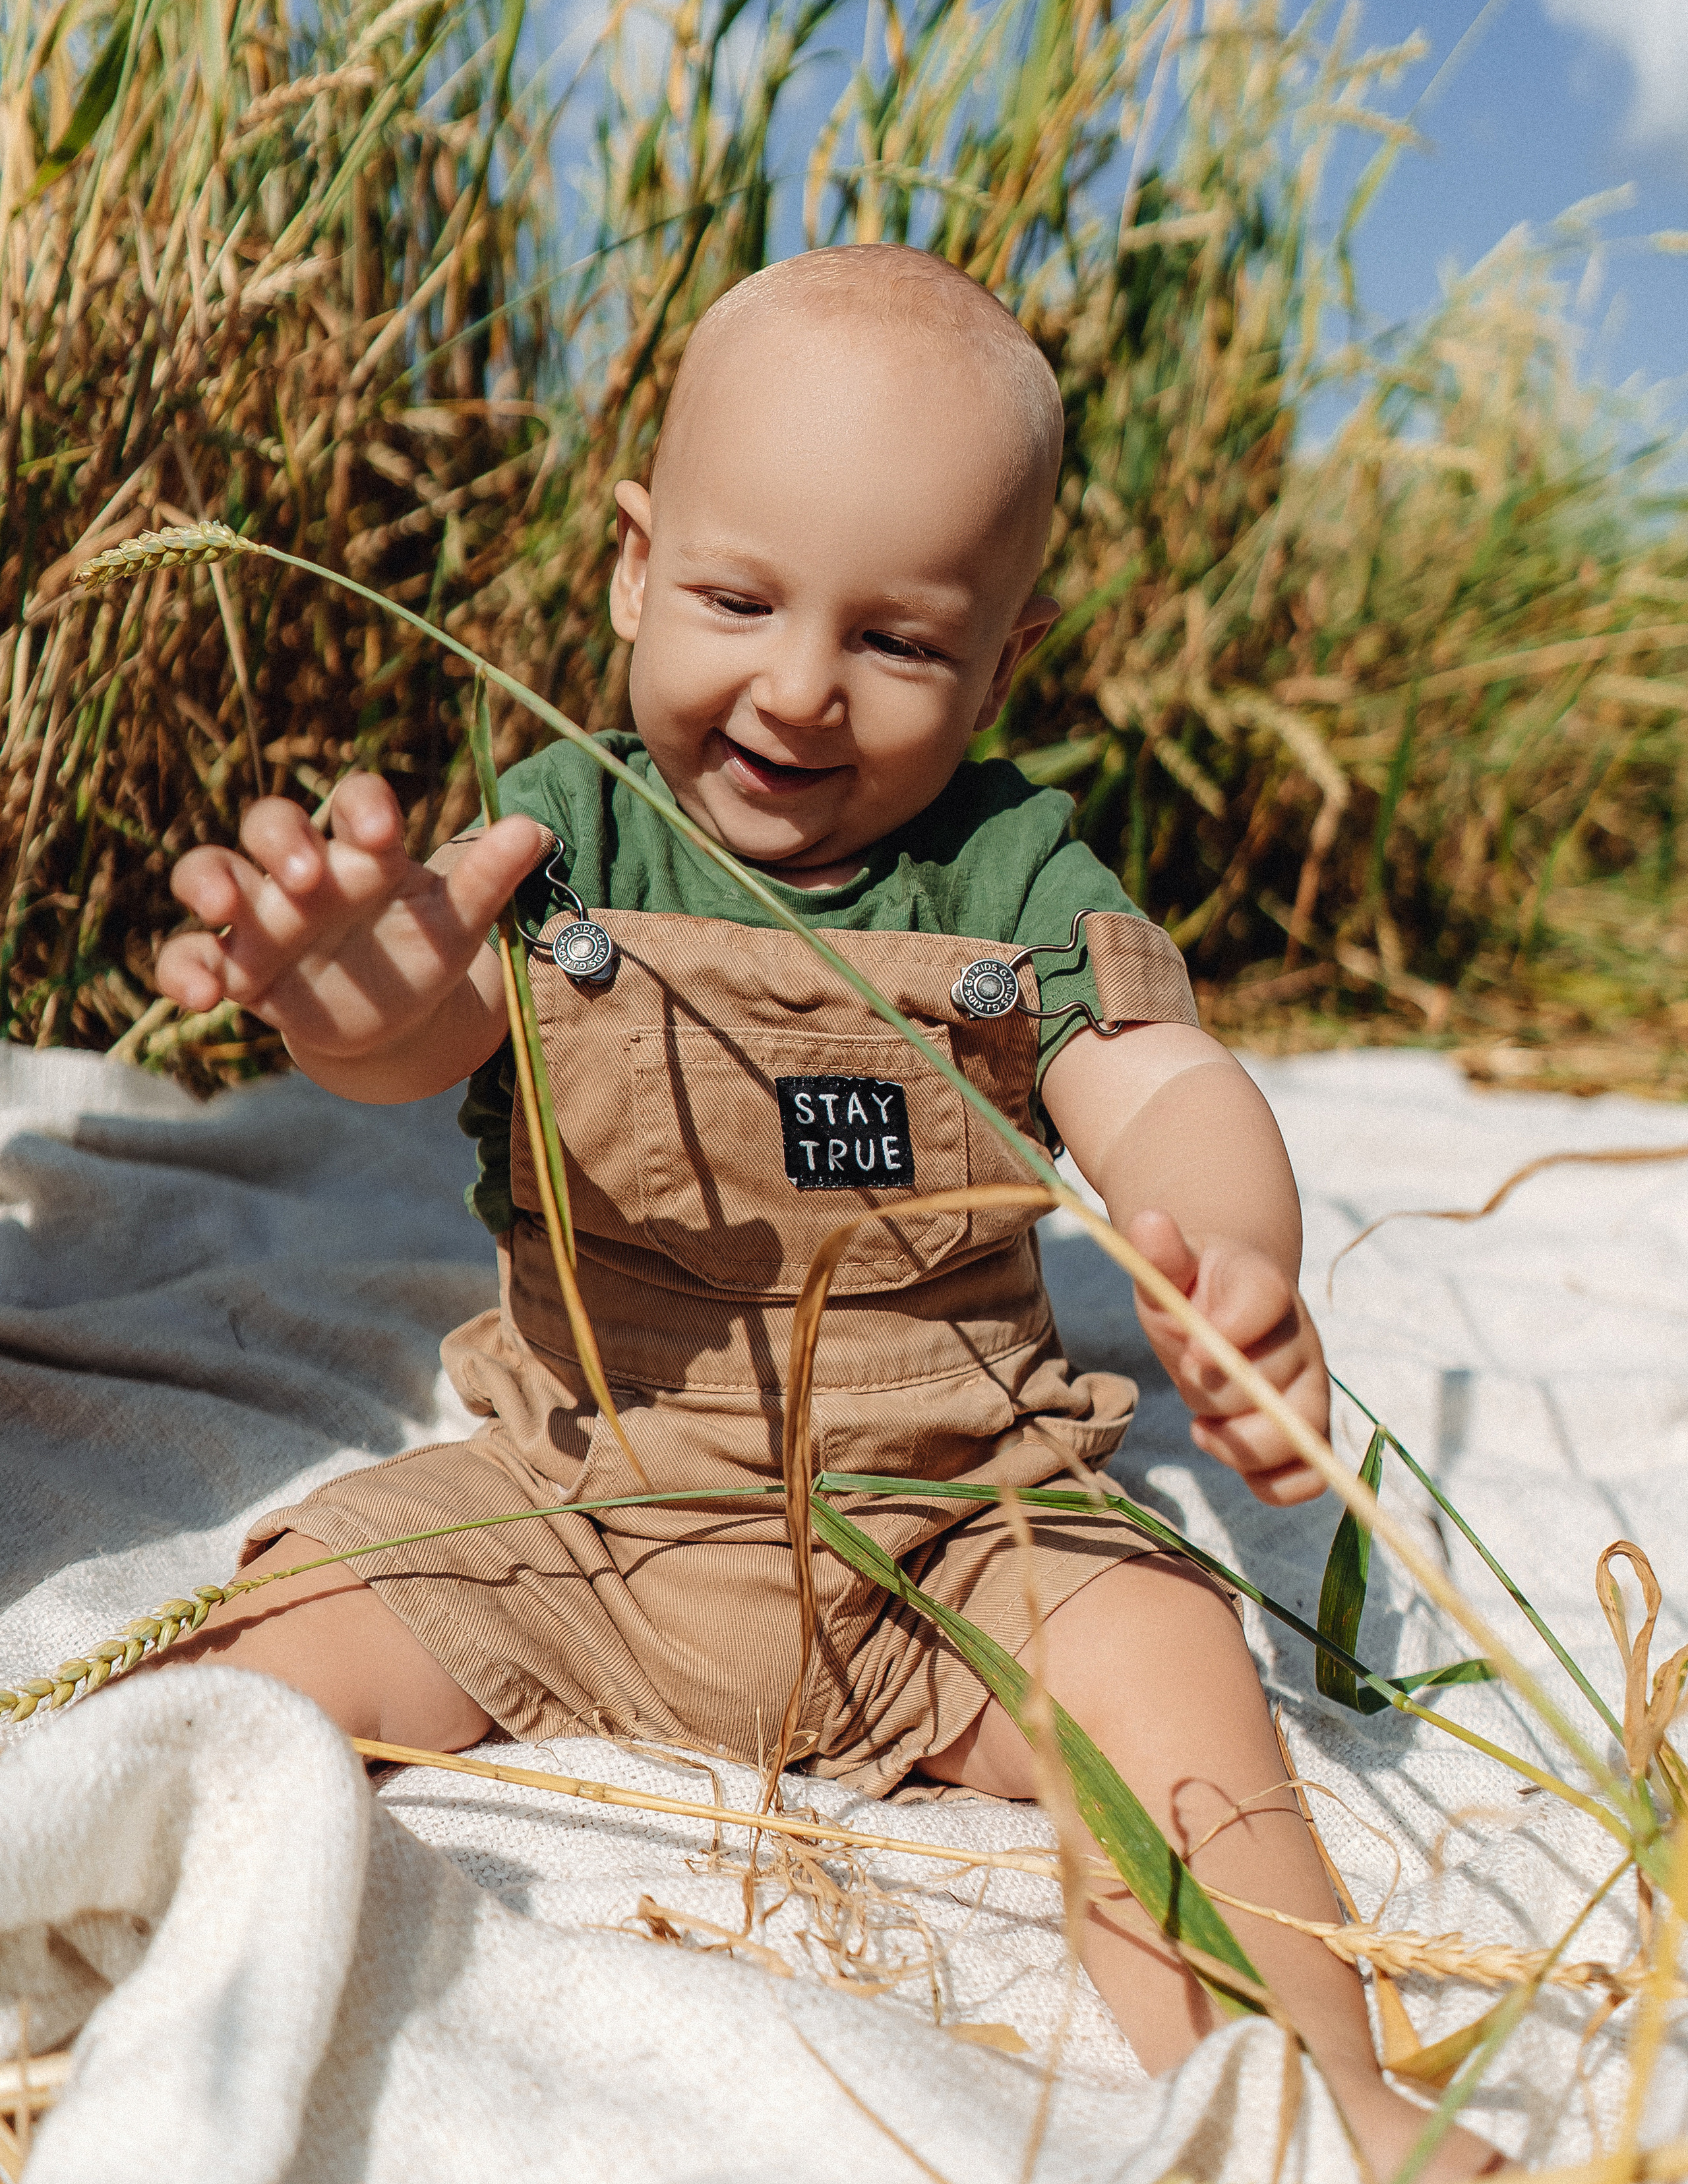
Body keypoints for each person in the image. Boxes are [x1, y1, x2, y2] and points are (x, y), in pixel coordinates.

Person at [155, 246, 1498, 2177]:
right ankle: (123, 1936)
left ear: (1003, 663)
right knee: (268, 1641)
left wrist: (1234, 1253)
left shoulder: (1012, 872)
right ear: (633, 568)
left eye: (900, 642)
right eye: (738, 600)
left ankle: (1309, 2094)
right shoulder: (563, 832)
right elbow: (418, 1025)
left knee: (1161, 1665)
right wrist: (339, 998)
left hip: (963, 1537)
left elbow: (1156, 1076)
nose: (800, 688)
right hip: (591, 1508)